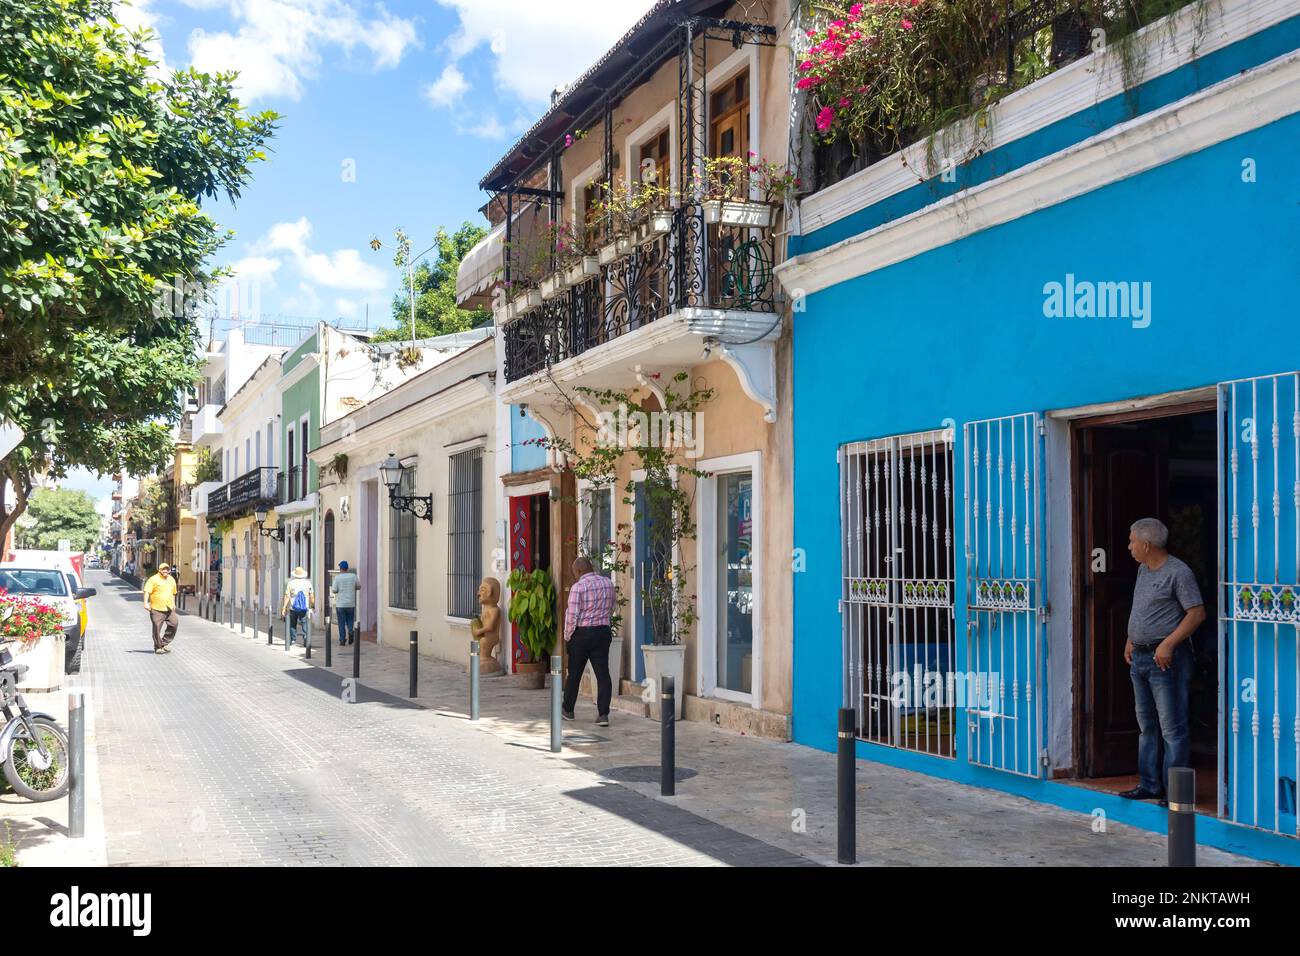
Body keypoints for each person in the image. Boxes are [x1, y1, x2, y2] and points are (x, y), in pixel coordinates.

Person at [1121, 517, 1206, 804]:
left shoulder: (1178, 572)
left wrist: (1168, 644)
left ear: (1146, 544)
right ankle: (1150, 784)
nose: (1129, 546)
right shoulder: (1143, 570)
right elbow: (1143, 609)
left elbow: (1196, 613)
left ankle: (1176, 792)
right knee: (1147, 725)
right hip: (1141, 657)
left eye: (1132, 541)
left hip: (1165, 660)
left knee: (1173, 728)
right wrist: (1131, 639)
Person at [561, 556, 616, 727]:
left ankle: (568, 710)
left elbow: (572, 615)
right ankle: (603, 714)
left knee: (574, 674)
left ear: (577, 571)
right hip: (602, 632)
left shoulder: (578, 587)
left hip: (582, 635)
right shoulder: (608, 583)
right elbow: (612, 607)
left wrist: (568, 636)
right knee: (603, 674)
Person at [143, 562, 179, 654]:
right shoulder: (153, 579)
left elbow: (173, 593)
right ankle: (158, 647)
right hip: (156, 608)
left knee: (174, 624)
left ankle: (165, 642)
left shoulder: (171, 579)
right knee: (156, 627)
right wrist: (146, 603)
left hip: (169, 607)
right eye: (163, 569)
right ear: (160, 570)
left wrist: (174, 604)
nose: (165, 571)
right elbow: (147, 591)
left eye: (167, 569)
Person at [281, 566, 315, 649]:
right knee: (305, 624)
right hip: (304, 608)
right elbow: (311, 596)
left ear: (295, 575)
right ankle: (306, 639)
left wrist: (284, 607)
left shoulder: (291, 583)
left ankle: (293, 639)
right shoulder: (308, 583)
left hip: (293, 608)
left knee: (292, 624)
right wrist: (313, 605)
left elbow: (287, 596)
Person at [330, 560, 359, 646]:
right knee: (350, 620)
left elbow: (334, 590)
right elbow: (359, 586)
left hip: (341, 604)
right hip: (351, 603)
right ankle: (350, 631)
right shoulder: (353, 576)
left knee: (341, 622)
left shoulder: (338, 578)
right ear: (347, 568)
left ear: (340, 568)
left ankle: (342, 640)